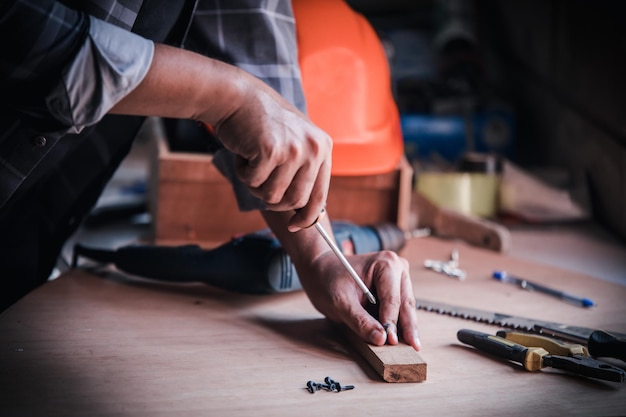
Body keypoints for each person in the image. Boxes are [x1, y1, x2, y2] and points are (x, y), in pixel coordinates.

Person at [0, 0, 420, 350]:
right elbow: (21, 28)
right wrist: (224, 96)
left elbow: (253, 48)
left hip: (43, 203)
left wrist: (320, 258)